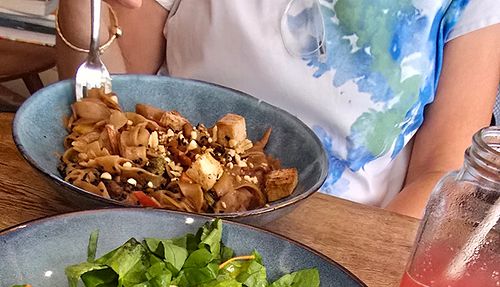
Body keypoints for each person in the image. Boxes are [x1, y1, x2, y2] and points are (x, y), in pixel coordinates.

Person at [56, 0, 500, 217]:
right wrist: (81, 4)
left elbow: (445, 171)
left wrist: (360, 265)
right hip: (151, 200)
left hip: (335, 240)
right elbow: (107, 87)